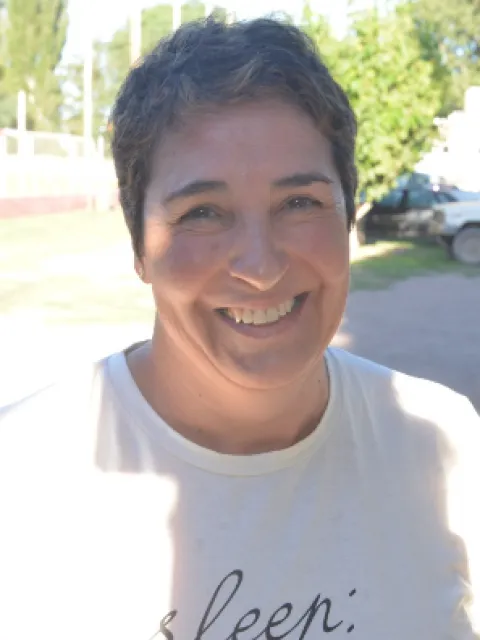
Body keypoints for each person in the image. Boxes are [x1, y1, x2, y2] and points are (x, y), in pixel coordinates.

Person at [0, 17, 479, 640]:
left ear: (346, 221)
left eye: (300, 203)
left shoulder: (447, 442)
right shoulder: (21, 476)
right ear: (139, 246)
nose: (261, 267)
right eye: (203, 212)